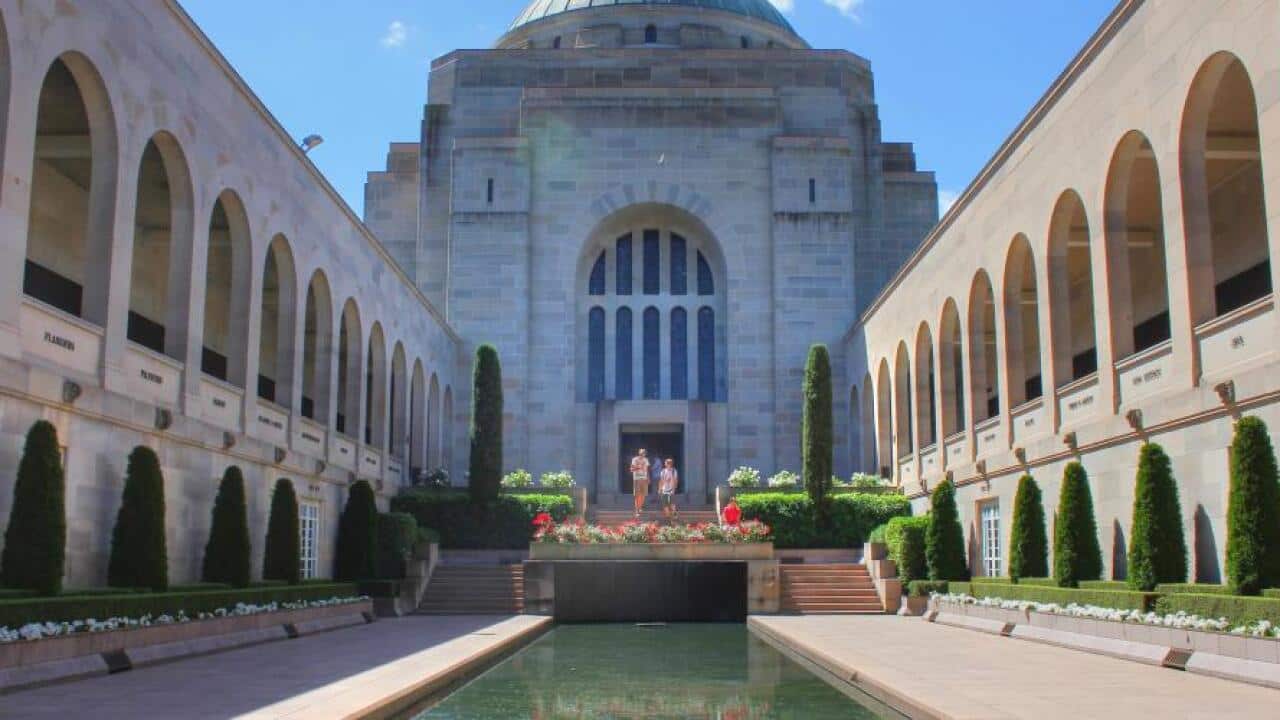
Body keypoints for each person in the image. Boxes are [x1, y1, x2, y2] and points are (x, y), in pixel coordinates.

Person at [630, 449, 650, 517]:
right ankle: (637, 510)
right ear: (639, 453)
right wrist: (638, 467)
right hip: (637, 479)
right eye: (641, 453)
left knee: (643, 495)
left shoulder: (646, 460)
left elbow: (647, 470)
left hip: (644, 479)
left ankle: (640, 507)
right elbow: (631, 469)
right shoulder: (634, 459)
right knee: (637, 495)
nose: (643, 454)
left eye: (644, 453)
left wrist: (648, 477)